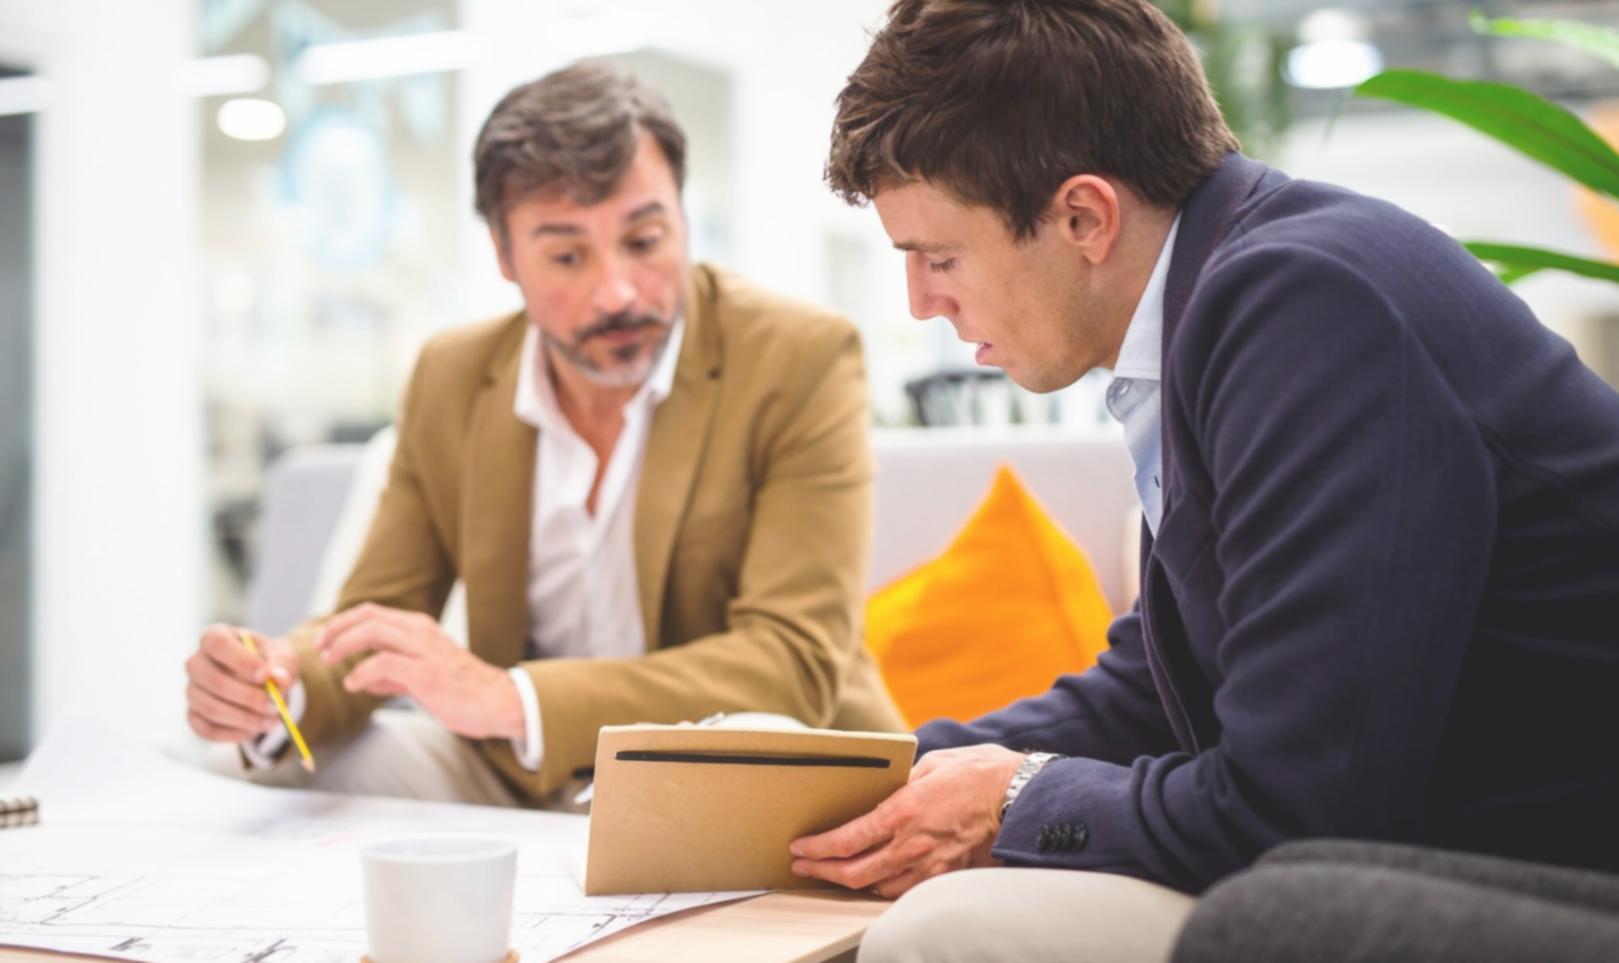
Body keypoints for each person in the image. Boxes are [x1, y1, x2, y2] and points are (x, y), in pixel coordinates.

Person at [788, 1, 1619, 960]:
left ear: (1083, 216)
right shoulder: (1231, 302)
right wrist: (873, 779)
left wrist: (1016, 797)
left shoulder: (1306, 308)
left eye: (939, 256)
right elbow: (1159, 687)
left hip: (1561, 876)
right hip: (1436, 848)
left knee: (949, 932)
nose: (921, 301)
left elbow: (1299, 807)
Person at [183, 62, 904, 807]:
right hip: (521, 772)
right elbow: (374, 620)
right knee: (292, 772)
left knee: (755, 735)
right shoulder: (452, 376)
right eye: (566, 255)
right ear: (503, 257)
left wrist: (511, 698)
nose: (618, 291)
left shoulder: (799, 357)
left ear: (683, 219)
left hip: (721, 763)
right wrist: (279, 686)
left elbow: (791, 661)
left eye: (645, 239)